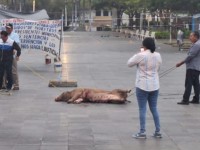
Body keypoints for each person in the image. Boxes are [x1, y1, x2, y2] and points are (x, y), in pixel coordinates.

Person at [127, 37, 162, 139]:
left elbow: (129, 63)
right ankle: (158, 131)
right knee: (154, 108)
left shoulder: (140, 55)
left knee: (142, 109)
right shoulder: (158, 55)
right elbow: (158, 68)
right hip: (155, 85)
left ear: (144, 45)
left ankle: (142, 132)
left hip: (142, 85)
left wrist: (139, 52)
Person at [176, 31, 200, 105]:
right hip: (196, 67)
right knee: (196, 84)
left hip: (192, 67)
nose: (190, 37)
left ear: (196, 37)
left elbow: (190, 56)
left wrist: (181, 63)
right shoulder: (197, 44)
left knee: (188, 84)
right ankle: (196, 99)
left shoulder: (196, 45)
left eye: (191, 36)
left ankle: (185, 100)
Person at [5, 23, 20, 90]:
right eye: (7, 28)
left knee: (13, 71)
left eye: (9, 28)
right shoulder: (4, 35)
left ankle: (16, 85)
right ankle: (4, 84)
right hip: (4, 55)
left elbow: (16, 44)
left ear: (12, 28)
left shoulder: (15, 35)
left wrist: (16, 53)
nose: (7, 29)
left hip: (12, 56)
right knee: (4, 70)